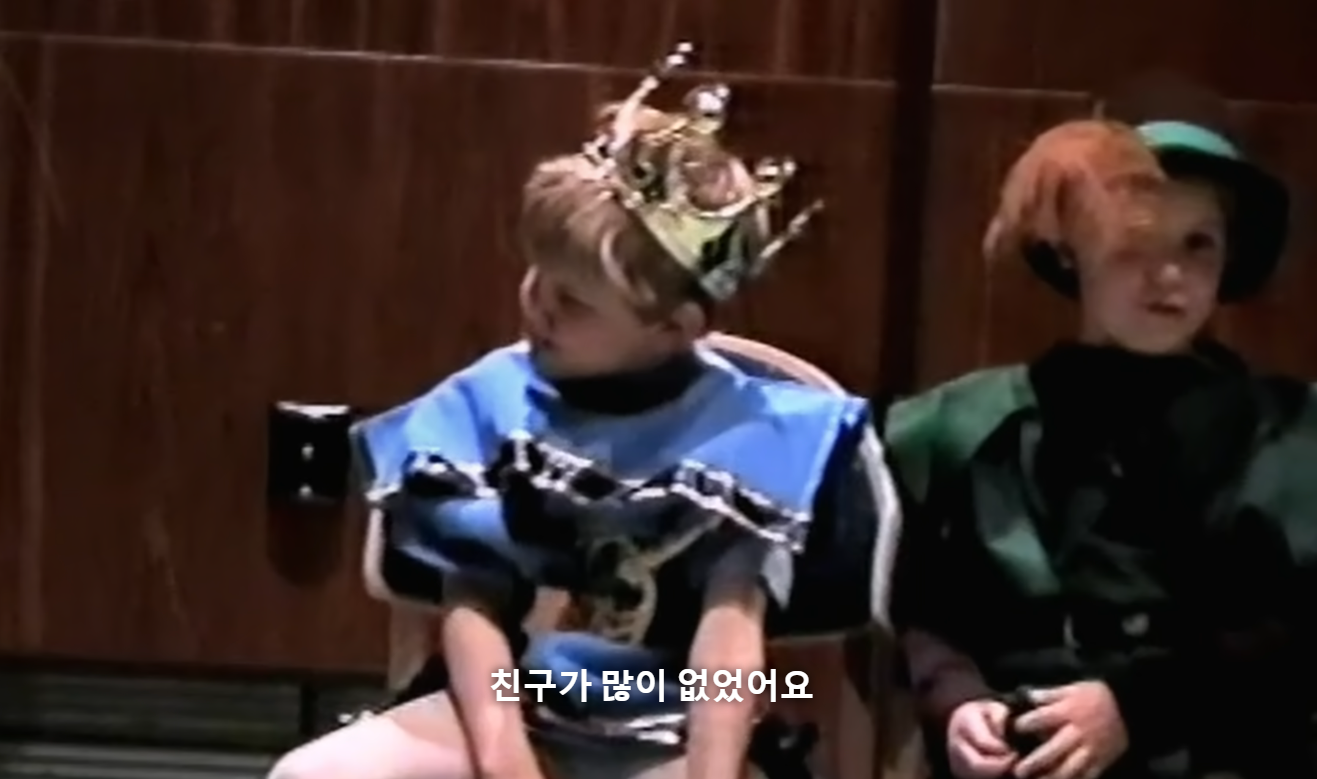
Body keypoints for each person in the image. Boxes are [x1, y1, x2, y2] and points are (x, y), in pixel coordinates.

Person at [268, 43, 885, 779]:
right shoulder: (485, 404)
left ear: (676, 326)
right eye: (538, 275)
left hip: (679, 720)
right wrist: (507, 766)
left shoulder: (749, 433)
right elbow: (473, 603)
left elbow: (729, 639)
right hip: (513, 701)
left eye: (575, 300)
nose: (539, 305)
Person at [886, 112, 1317, 779]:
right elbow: (923, 609)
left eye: (1198, 244)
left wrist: (1136, 706)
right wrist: (956, 700)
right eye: (1133, 242)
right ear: (1070, 251)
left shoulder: (1306, 435)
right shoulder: (961, 428)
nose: (1169, 274)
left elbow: (1314, 637)